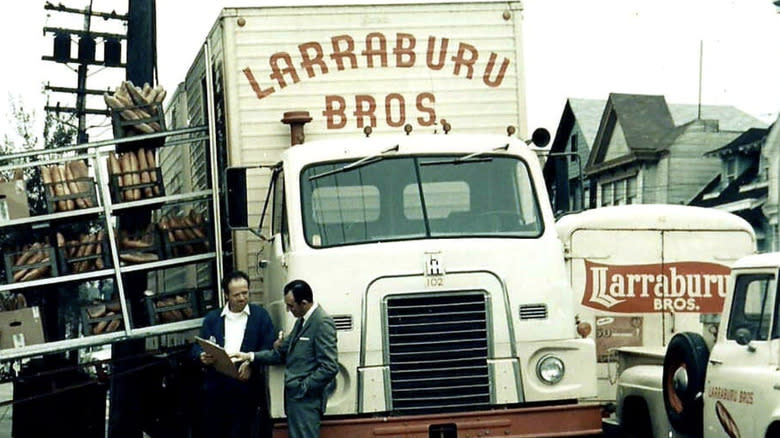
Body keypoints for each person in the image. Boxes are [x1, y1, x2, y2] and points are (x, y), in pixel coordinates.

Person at [231, 279, 338, 438]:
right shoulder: (302, 322)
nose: (289, 310)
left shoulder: (321, 322)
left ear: (303, 303)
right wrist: (250, 356)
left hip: (306, 401)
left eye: (291, 306)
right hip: (297, 400)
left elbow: (329, 366)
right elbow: (280, 353)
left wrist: (303, 387)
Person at [193, 270, 276, 438]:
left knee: (245, 430)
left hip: (246, 382)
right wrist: (202, 356)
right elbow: (197, 346)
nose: (242, 298)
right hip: (217, 383)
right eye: (236, 294)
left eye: (245, 293)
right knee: (217, 429)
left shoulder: (260, 316)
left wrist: (251, 364)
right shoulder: (213, 318)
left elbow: (269, 347)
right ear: (226, 295)